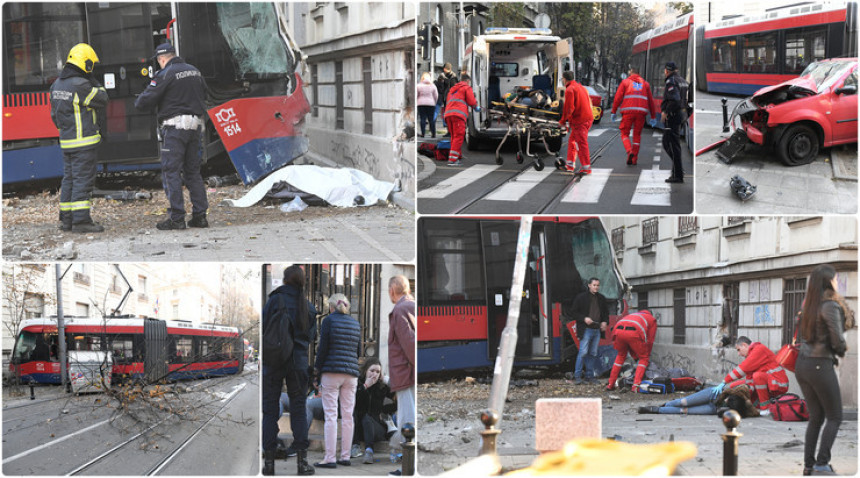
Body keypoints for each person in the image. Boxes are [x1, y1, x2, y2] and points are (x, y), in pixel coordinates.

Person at [134, 43, 209, 231]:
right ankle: (200, 216)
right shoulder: (195, 71)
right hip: (196, 126)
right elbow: (206, 94)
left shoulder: (165, 74)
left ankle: (177, 218)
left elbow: (143, 101)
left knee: (171, 172)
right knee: (193, 172)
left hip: (175, 129)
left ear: (161, 59)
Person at [796, 264, 851, 475]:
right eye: (836, 279)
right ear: (829, 282)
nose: (837, 282)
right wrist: (842, 349)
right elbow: (837, 340)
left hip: (803, 364)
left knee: (816, 417)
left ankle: (809, 466)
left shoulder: (807, 305)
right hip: (819, 364)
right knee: (835, 416)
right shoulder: (830, 306)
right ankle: (821, 463)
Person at [262, 266, 317, 476]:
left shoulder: (274, 301)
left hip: (274, 361)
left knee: (269, 410)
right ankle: (302, 463)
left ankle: (269, 464)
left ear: (285, 280)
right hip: (298, 364)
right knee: (299, 410)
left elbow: (266, 328)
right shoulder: (309, 308)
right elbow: (311, 337)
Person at [50, 43, 109, 233]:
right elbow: (102, 98)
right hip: (84, 143)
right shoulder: (81, 85)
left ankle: (66, 220)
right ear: (86, 64)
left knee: (69, 180)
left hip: (67, 142)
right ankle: (81, 221)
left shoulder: (56, 85)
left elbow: (54, 116)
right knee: (83, 181)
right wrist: (94, 80)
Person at [313, 293, 362, 469]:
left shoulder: (328, 321)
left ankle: (330, 458)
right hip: (351, 374)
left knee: (331, 416)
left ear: (331, 307)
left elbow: (323, 349)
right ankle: (346, 456)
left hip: (331, 373)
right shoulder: (355, 323)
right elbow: (358, 351)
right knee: (348, 416)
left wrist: (316, 371)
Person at [387, 275, 416, 477]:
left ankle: (408, 468)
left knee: (407, 420)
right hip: (409, 371)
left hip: (405, 372)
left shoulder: (399, 310)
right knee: (410, 418)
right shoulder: (412, 305)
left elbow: (409, 343)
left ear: (391, 291)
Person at [717, 336, 789, 411]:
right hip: (770, 382)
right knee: (733, 386)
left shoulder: (759, 350)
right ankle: (754, 404)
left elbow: (742, 369)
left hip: (779, 384)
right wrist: (744, 393)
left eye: (739, 350)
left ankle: (765, 408)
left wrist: (724, 381)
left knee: (757, 376)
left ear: (744, 345)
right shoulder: (752, 353)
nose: (739, 354)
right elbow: (749, 380)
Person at [352, 357, 396, 464]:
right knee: (362, 416)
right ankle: (356, 446)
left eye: (378, 372)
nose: (374, 374)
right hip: (358, 429)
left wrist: (384, 410)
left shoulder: (382, 386)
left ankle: (369, 451)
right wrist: (365, 386)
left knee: (367, 419)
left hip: (377, 428)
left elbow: (399, 401)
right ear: (365, 370)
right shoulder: (358, 383)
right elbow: (352, 402)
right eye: (372, 371)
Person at [611, 66, 657, 166]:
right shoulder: (645, 84)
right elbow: (651, 101)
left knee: (624, 133)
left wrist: (613, 111)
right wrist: (653, 116)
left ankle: (629, 151)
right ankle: (634, 159)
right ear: (638, 73)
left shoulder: (625, 82)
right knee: (637, 135)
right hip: (641, 113)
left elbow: (617, 98)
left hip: (628, 112)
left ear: (631, 72)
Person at [638, 382, 760, 417]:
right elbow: (735, 384)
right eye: (728, 401)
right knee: (683, 402)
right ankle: (665, 405)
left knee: (684, 411)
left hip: (714, 408)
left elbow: (755, 413)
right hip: (712, 394)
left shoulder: (740, 408)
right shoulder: (738, 391)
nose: (726, 403)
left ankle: (655, 410)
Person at [569, 278, 609, 384]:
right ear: (589, 285)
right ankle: (577, 376)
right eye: (594, 285)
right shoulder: (581, 297)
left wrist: (605, 322)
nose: (596, 287)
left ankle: (589, 376)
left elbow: (605, 313)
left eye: (598, 285)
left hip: (597, 330)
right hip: (586, 329)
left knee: (592, 353)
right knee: (583, 352)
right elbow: (573, 312)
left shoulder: (601, 298)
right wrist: (584, 318)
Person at [606, 310, 657, 392]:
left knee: (620, 356)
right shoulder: (651, 319)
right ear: (651, 314)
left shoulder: (634, 315)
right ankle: (635, 386)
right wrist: (646, 354)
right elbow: (650, 340)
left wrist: (635, 356)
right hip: (634, 332)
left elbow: (629, 343)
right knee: (644, 358)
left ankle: (610, 384)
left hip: (618, 331)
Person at [558, 71, 594, 174]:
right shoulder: (581, 87)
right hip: (586, 118)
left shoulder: (570, 90)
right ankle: (569, 165)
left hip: (580, 120)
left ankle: (586, 168)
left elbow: (569, 108)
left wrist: (562, 121)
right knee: (573, 141)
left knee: (580, 143)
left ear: (564, 79)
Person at [659, 61, 689, 184]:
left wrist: (666, 112)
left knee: (670, 144)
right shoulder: (682, 80)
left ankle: (678, 173)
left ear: (667, 70)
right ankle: (678, 171)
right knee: (671, 144)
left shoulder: (671, 81)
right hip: (681, 115)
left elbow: (675, 100)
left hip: (673, 117)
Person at [443, 74, 481, 166]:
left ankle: (457, 155)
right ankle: (452, 159)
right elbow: (471, 101)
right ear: (467, 81)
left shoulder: (452, 90)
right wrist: (476, 107)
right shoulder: (466, 88)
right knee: (459, 136)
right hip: (458, 115)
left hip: (448, 115)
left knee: (453, 136)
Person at [417, 72, 439, 138]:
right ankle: (433, 133)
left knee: (422, 119)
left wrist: (417, 101)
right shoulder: (433, 86)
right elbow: (436, 96)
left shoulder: (418, 85)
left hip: (421, 104)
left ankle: (423, 133)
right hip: (431, 104)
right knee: (431, 119)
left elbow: (416, 95)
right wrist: (434, 102)